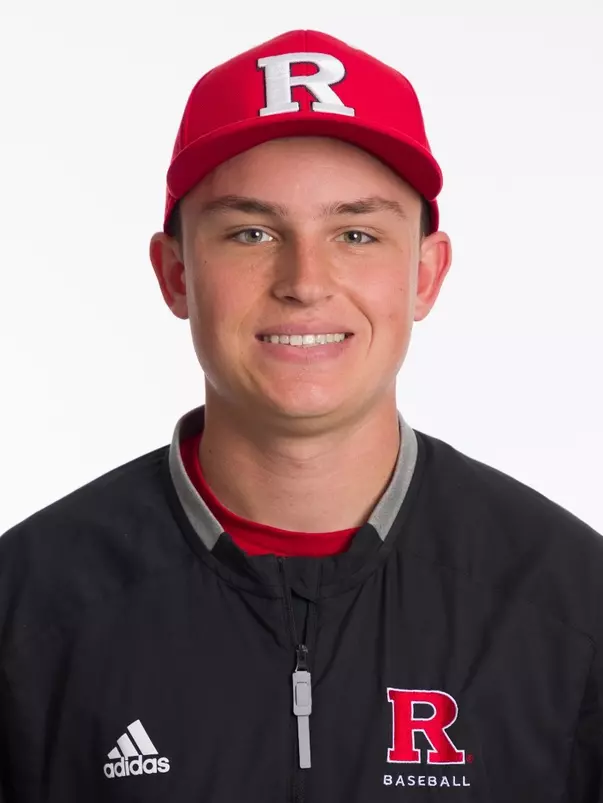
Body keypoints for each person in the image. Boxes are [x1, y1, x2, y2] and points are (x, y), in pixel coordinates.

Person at [0, 28, 601, 803]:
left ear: (424, 274)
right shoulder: (26, 607)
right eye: (251, 232)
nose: (304, 280)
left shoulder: (572, 604)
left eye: (356, 233)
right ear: (175, 272)